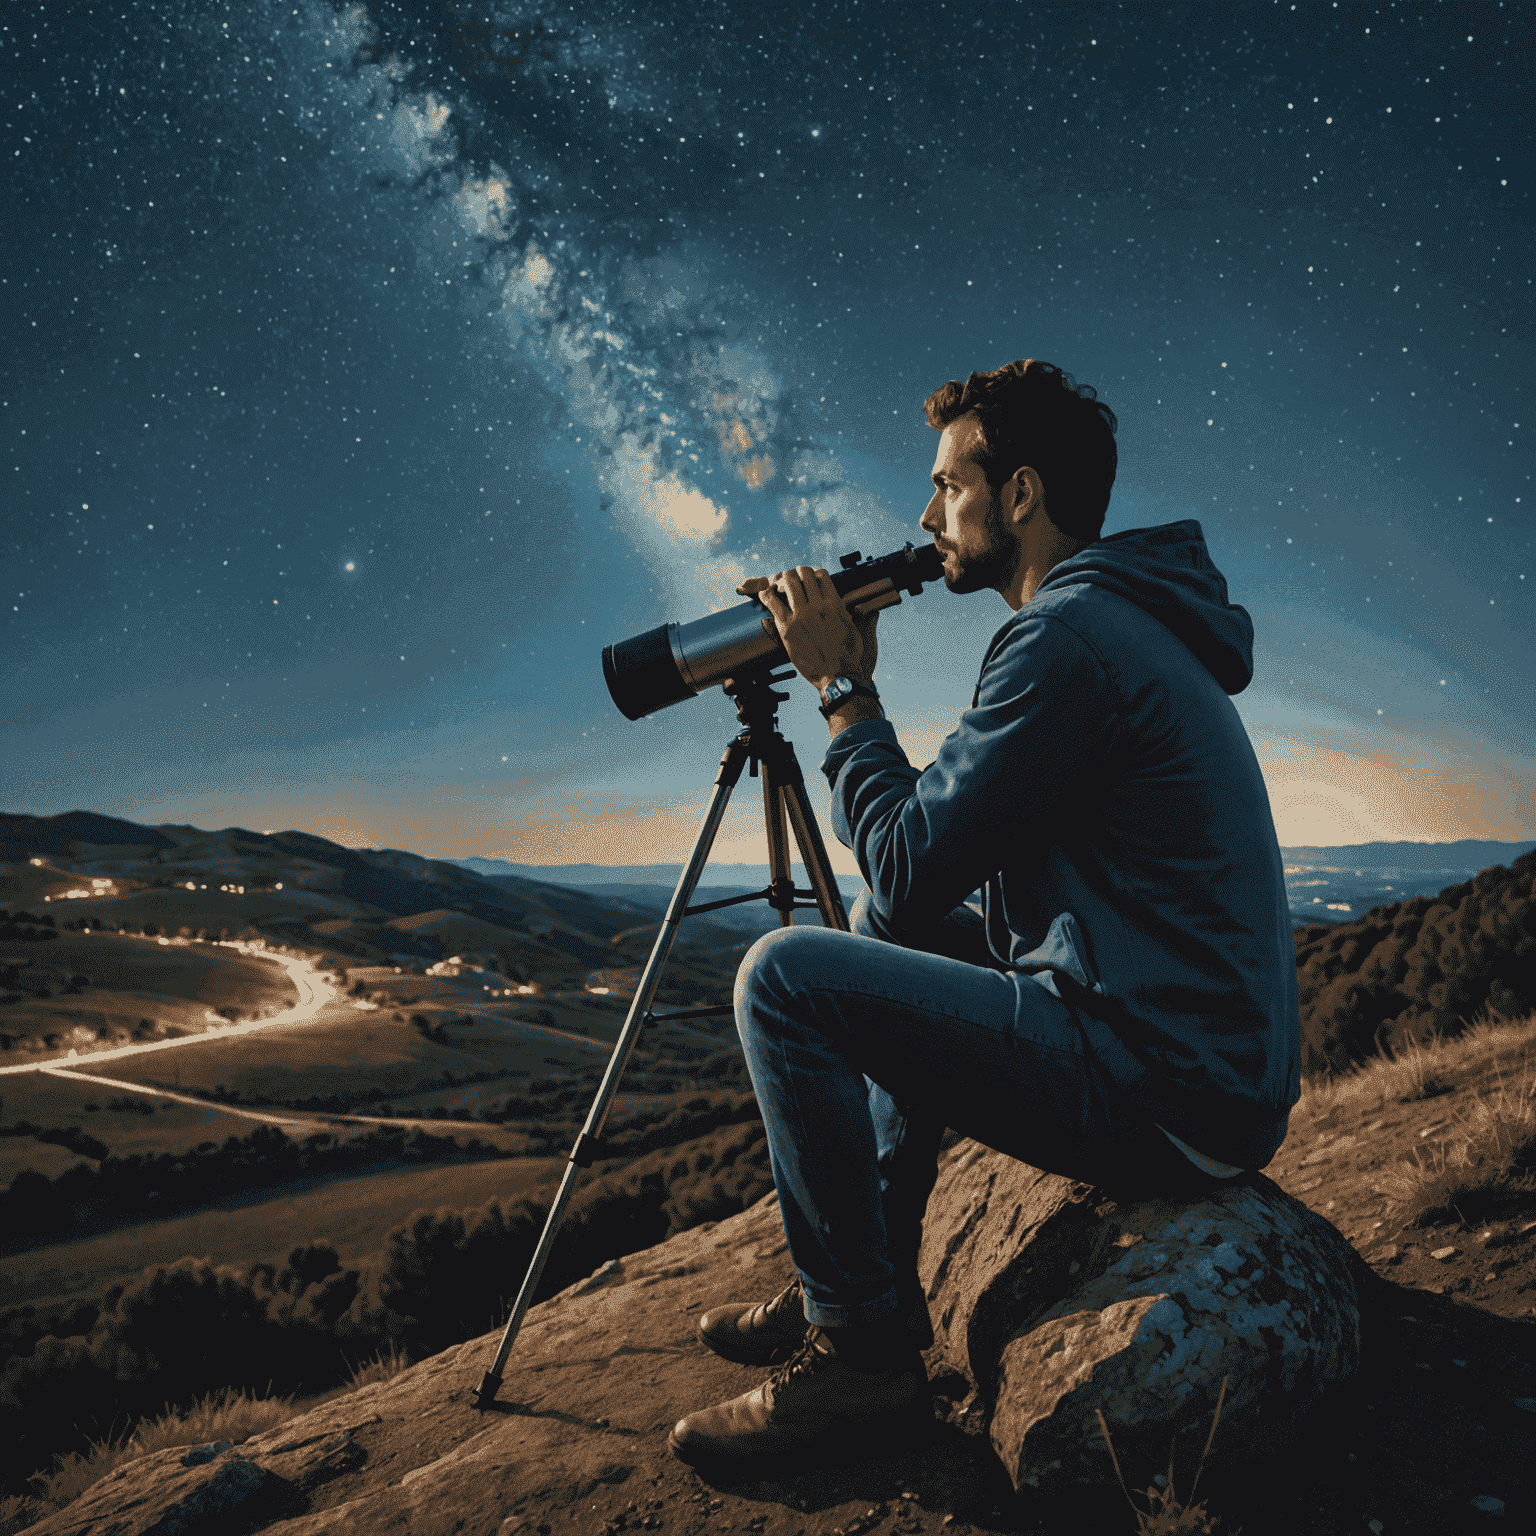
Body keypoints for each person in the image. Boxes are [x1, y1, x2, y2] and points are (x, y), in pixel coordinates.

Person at [667, 358, 1300, 1469]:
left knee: (783, 978)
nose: (924, 516)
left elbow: (910, 864)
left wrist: (843, 693)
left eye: (946, 485)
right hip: (1186, 1047)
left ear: (1019, 495)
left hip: (1165, 1081)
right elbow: (923, 890)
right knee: (875, 936)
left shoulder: (1066, 640)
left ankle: (863, 1362)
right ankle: (865, 1283)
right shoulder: (1112, 620)